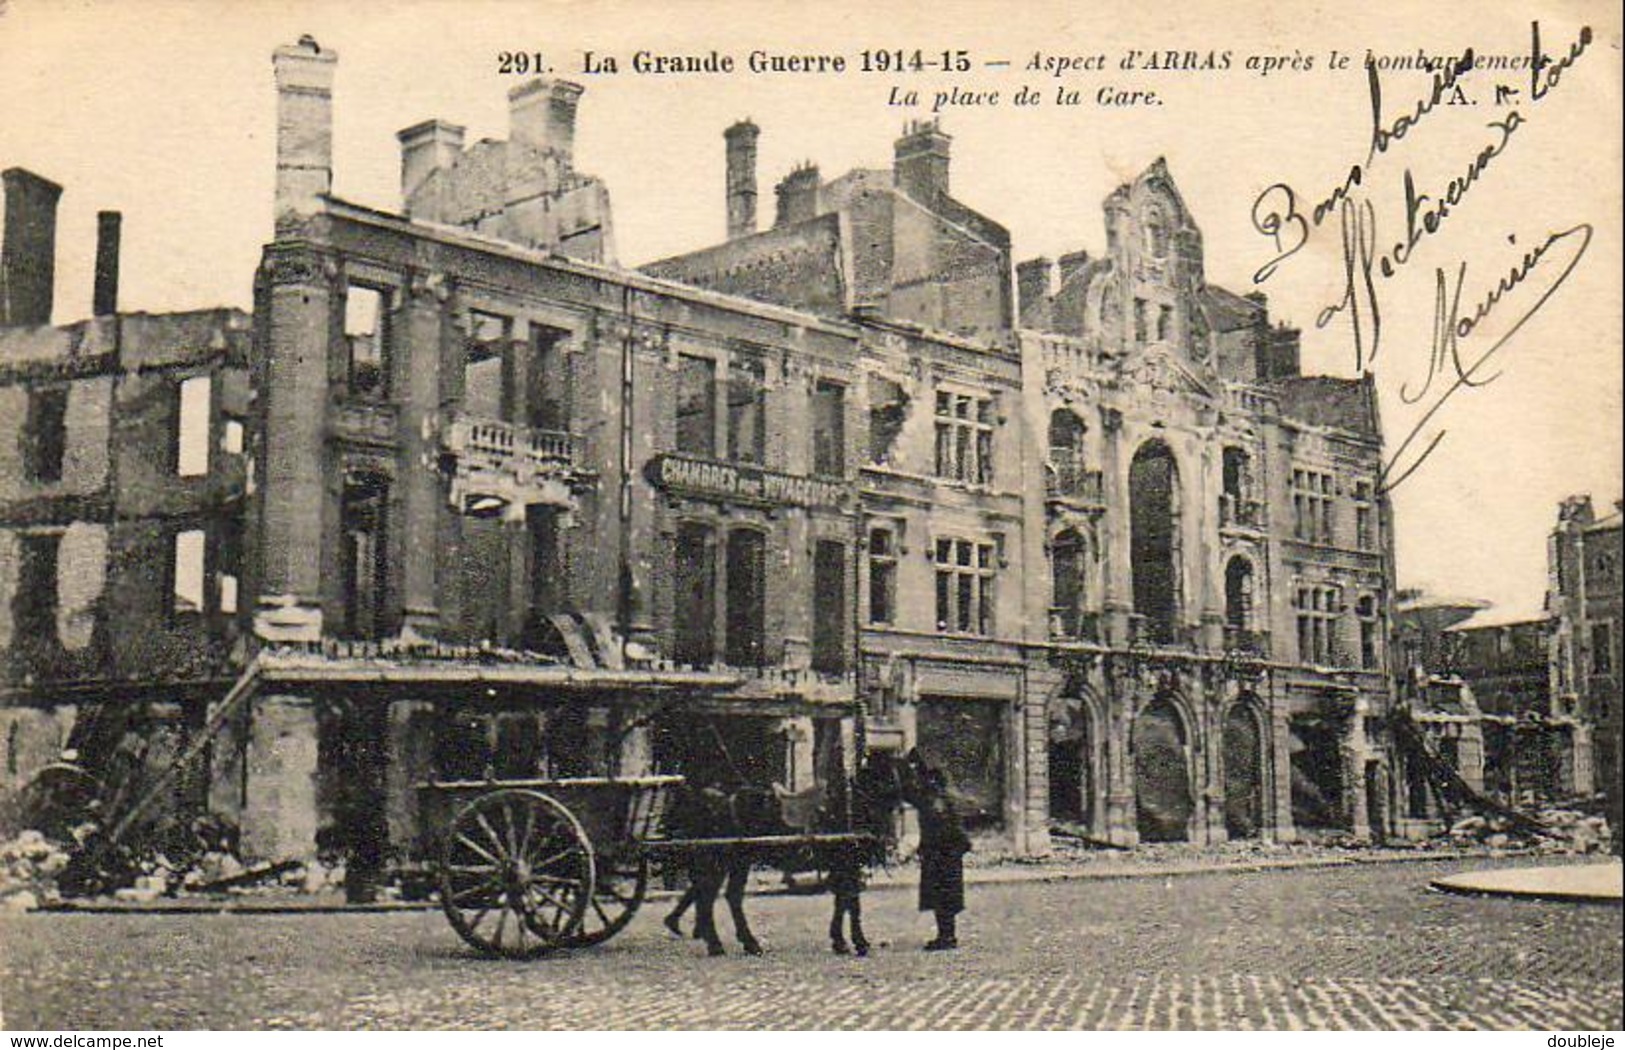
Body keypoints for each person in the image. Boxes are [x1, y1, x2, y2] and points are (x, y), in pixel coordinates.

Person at [909, 752, 970, 951]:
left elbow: (941, 828)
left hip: (942, 855)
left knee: (942, 896)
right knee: (944, 897)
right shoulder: (940, 797)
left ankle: (947, 937)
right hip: (945, 854)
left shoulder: (936, 800)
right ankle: (946, 935)